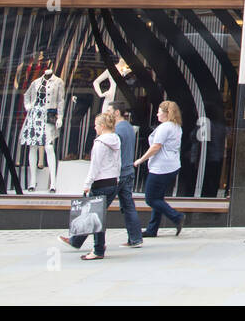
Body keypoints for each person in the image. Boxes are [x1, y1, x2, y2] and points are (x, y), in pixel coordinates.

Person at [61, 112, 120, 260]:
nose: (94, 128)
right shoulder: (115, 139)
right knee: (97, 216)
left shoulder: (100, 143)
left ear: (102, 126)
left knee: (96, 218)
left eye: (95, 125)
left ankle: (98, 250)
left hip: (101, 183)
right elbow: (117, 162)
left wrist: (87, 184)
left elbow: (95, 166)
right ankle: (83, 243)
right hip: (113, 182)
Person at [135, 100, 185, 238]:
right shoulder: (176, 127)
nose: (157, 114)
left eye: (159, 111)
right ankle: (152, 229)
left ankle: (176, 216)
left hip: (160, 167)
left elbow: (156, 146)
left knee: (150, 199)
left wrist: (141, 159)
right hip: (172, 165)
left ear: (166, 113)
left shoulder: (165, 127)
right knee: (158, 198)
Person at [111, 103, 143, 247]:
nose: (107, 114)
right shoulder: (129, 127)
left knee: (97, 205)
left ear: (117, 112)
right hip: (128, 170)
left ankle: (77, 239)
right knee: (129, 206)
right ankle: (136, 238)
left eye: (109, 111)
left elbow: (114, 152)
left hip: (119, 172)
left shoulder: (118, 129)